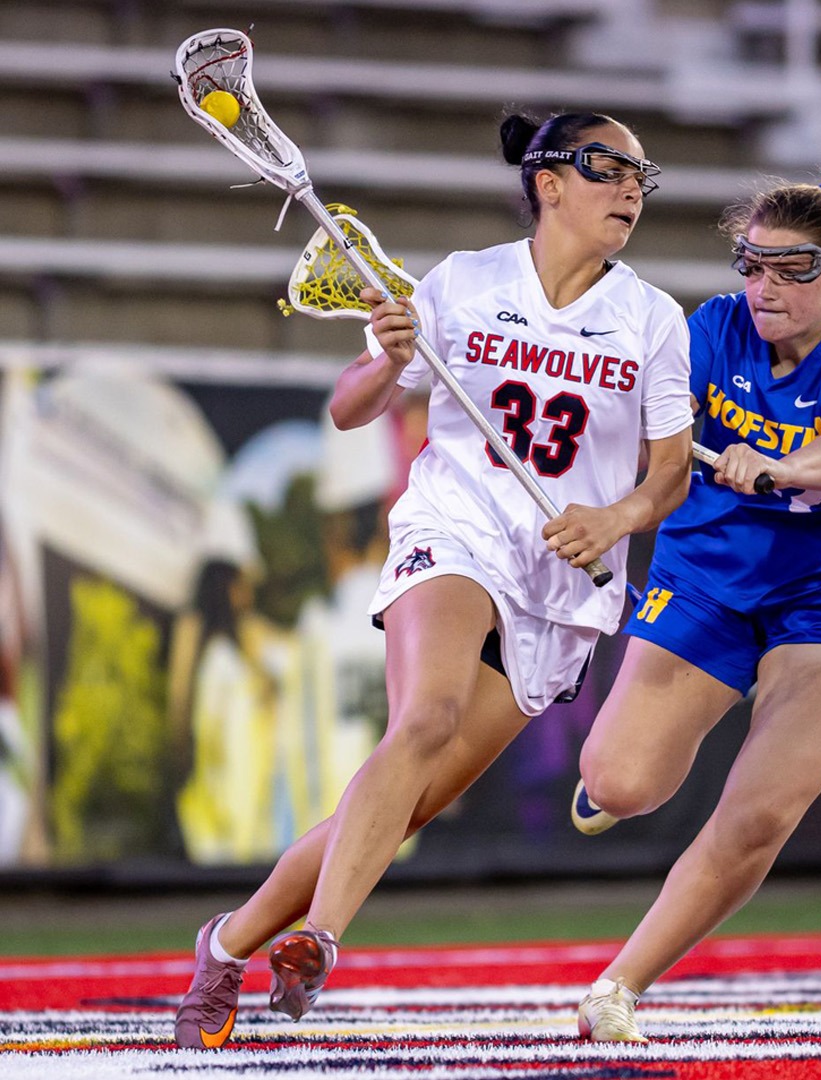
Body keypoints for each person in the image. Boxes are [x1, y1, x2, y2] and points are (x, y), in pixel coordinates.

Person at [172, 110, 694, 1049]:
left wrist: (614, 520)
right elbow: (349, 405)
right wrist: (396, 357)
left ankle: (230, 942)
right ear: (551, 182)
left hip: (564, 581)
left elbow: (669, 473)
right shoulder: (462, 282)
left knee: (403, 797)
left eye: (640, 178)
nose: (631, 190)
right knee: (422, 720)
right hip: (456, 530)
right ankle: (323, 939)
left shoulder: (653, 318)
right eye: (611, 169)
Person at [565, 168, 821, 1042]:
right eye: (751, 266)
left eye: (790, 270)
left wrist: (784, 466)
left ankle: (618, 987)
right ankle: (612, 789)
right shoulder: (714, 327)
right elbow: (657, 421)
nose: (762, 288)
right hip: (710, 575)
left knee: (761, 812)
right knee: (620, 779)